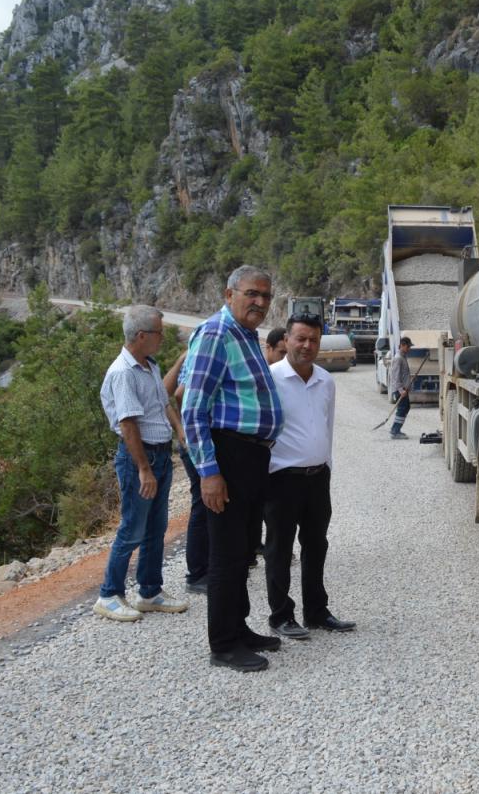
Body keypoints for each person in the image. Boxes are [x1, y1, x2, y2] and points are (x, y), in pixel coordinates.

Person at [182, 265, 284, 673]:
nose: (259, 302)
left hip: (251, 456)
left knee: (243, 549)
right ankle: (223, 644)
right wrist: (209, 472)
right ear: (229, 294)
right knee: (225, 553)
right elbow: (192, 410)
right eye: (251, 294)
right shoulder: (215, 334)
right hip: (228, 456)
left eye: (265, 296)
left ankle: (238, 627)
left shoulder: (244, 335)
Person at [94, 306, 188, 622]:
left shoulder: (148, 365)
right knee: (133, 528)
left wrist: (179, 430)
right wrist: (143, 469)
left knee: (155, 528)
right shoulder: (122, 373)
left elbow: (162, 402)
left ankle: (149, 591)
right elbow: (129, 424)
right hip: (141, 458)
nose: (163, 338)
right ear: (142, 335)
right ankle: (109, 595)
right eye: (160, 333)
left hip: (160, 455)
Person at [264, 313, 356, 640]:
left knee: (316, 546)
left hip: (318, 478)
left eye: (313, 340)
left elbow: (327, 427)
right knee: (279, 549)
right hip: (281, 479)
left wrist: (327, 465)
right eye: (300, 338)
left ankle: (316, 612)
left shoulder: (325, 381)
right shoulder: (269, 378)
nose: (307, 345)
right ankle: (280, 616)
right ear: (286, 340)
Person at [163, 351, 208, 595]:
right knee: (202, 505)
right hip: (195, 443)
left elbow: (166, 397)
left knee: (204, 505)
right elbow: (177, 394)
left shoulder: (194, 356)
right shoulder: (198, 357)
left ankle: (203, 570)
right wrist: (184, 428)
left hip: (191, 440)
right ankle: (198, 574)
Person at [387, 336, 413, 439]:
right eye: (408, 346)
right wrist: (401, 390)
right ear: (402, 345)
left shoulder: (403, 357)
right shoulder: (398, 358)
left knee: (406, 407)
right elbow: (395, 377)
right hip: (400, 390)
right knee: (402, 409)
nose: (409, 349)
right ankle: (395, 431)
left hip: (403, 390)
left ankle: (396, 429)